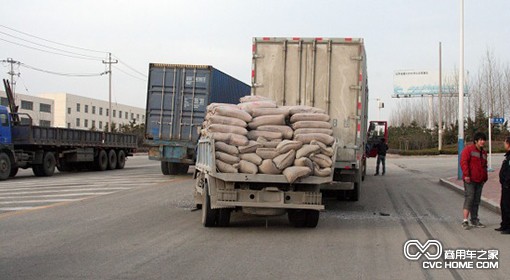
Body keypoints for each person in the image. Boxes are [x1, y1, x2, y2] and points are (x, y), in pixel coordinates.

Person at [460, 132, 488, 230]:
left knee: (476, 200)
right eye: (480, 140)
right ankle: (465, 220)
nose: (482, 142)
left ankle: (474, 219)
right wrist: (466, 175)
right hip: (470, 180)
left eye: (483, 140)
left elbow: (485, 166)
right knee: (470, 198)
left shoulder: (484, 153)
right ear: (476, 141)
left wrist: (485, 177)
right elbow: (463, 162)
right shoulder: (468, 150)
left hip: (480, 180)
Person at [496, 136, 510, 234]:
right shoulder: (507, 156)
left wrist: (507, 182)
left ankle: (509, 227)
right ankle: (504, 225)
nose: (504, 144)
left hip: (508, 185)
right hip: (505, 186)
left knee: (508, 206)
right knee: (503, 205)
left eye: (505, 142)